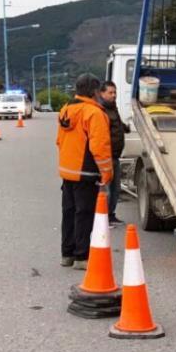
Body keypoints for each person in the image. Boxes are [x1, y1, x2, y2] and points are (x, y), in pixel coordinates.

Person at [57, 73, 114, 270]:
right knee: (84, 214)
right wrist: (106, 172)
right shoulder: (94, 113)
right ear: (94, 91)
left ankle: (67, 254)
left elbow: (59, 141)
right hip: (86, 172)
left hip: (68, 171)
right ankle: (81, 257)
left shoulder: (66, 109)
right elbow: (100, 146)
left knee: (69, 213)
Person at [97, 81, 127, 226]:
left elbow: (116, 125)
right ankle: (103, 218)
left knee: (116, 189)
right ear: (102, 93)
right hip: (106, 157)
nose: (114, 95)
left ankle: (111, 215)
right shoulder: (100, 110)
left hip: (115, 156)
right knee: (106, 190)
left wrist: (124, 128)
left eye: (115, 92)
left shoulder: (112, 108)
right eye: (110, 92)